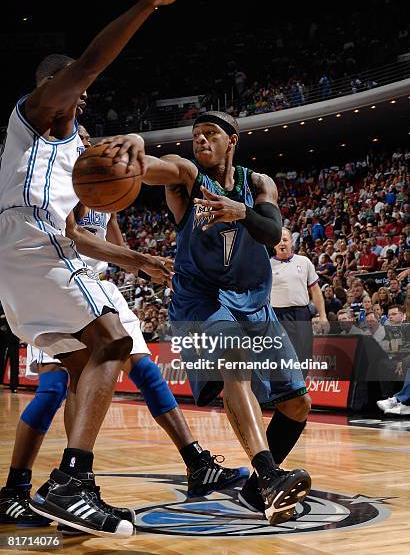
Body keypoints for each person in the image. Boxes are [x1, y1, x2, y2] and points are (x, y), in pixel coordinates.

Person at [0, 0, 198, 538]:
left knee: (88, 366)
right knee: (114, 339)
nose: (80, 101)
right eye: (72, 93)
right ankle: (72, 482)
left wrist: (177, 170)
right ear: (49, 88)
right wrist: (148, 4)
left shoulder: (80, 149)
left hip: (25, 262)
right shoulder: (32, 116)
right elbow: (88, 65)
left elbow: (139, 174)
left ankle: (50, 492)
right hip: (34, 243)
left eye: (81, 100)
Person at [0, 125, 245, 529]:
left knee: (145, 370)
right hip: (59, 280)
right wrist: (139, 258)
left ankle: (195, 462)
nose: (86, 142)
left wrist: (141, 263)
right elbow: (76, 239)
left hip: (97, 287)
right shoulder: (65, 184)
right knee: (54, 387)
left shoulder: (104, 188)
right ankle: (17, 489)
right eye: (78, 137)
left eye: (90, 137)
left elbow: (113, 245)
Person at [140, 111, 312, 525]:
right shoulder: (186, 177)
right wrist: (130, 157)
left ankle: (258, 492)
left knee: (298, 405)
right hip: (201, 302)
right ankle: (271, 475)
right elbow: (155, 168)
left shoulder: (258, 184)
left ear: (231, 140)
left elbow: (273, 234)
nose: (200, 141)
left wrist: (240, 212)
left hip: (253, 302)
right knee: (235, 361)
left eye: (210, 134)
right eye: (196, 136)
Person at [270, 228, 330, 374]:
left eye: (285, 240)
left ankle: (300, 389)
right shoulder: (267, 265)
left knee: (305, 354)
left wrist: (322, 316)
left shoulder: (304, 262)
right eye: (278, 240)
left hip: (302, 313)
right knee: (284, 354)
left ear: (291, 242)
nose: (282, 243)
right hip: (279, 315)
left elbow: (315, 290)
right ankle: (285, 391)